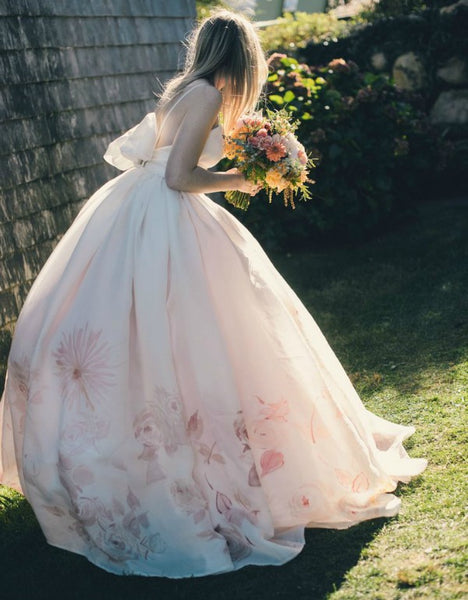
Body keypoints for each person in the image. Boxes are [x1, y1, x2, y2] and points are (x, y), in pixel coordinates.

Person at [0, 10, 426, 578]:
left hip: (138, 213)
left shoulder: (184, 90)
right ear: (241, 56)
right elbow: (179, 177)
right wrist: (244, 180)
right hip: (166, 216)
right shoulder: (202, 96)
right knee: (200, 329)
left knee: (158, 330)